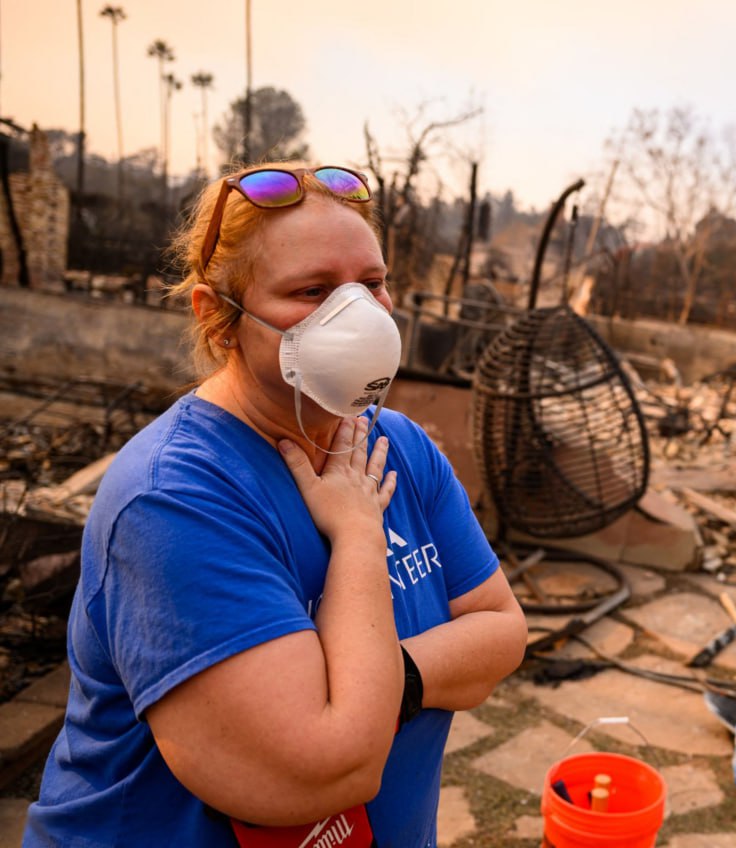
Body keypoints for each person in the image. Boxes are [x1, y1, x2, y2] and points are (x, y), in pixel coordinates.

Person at [23, 163, 527, 848]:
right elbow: (328, 769)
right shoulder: (175, 498)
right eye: (312, 290)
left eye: (370, 283)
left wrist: (385, 680)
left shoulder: (397, 447)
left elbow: (501, 631)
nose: (357, 314)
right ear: (220, 319)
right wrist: (356, 534)